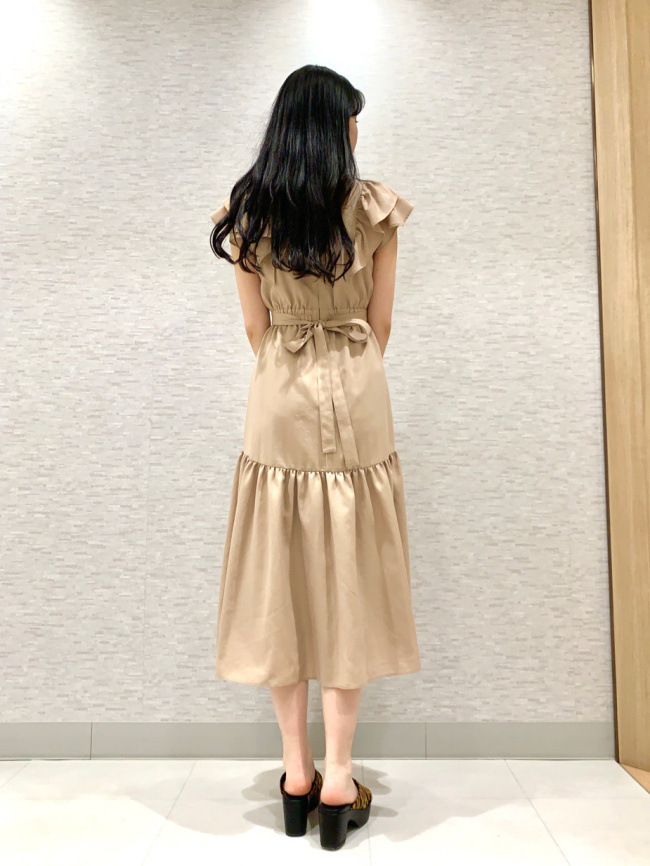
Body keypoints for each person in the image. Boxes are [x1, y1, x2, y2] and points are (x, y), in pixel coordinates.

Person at [209, 64, 421, 850]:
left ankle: (295, 774)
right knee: (348, 581)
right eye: (353, 117)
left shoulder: (249, 212)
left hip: (279, 400)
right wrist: (345, 368)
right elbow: (381, 324)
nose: (359, 130)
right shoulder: (373, 210)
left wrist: (292, 368)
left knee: (280, 581)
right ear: (335, 126)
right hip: (359, 394)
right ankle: (340, 778)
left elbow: (254, 330)